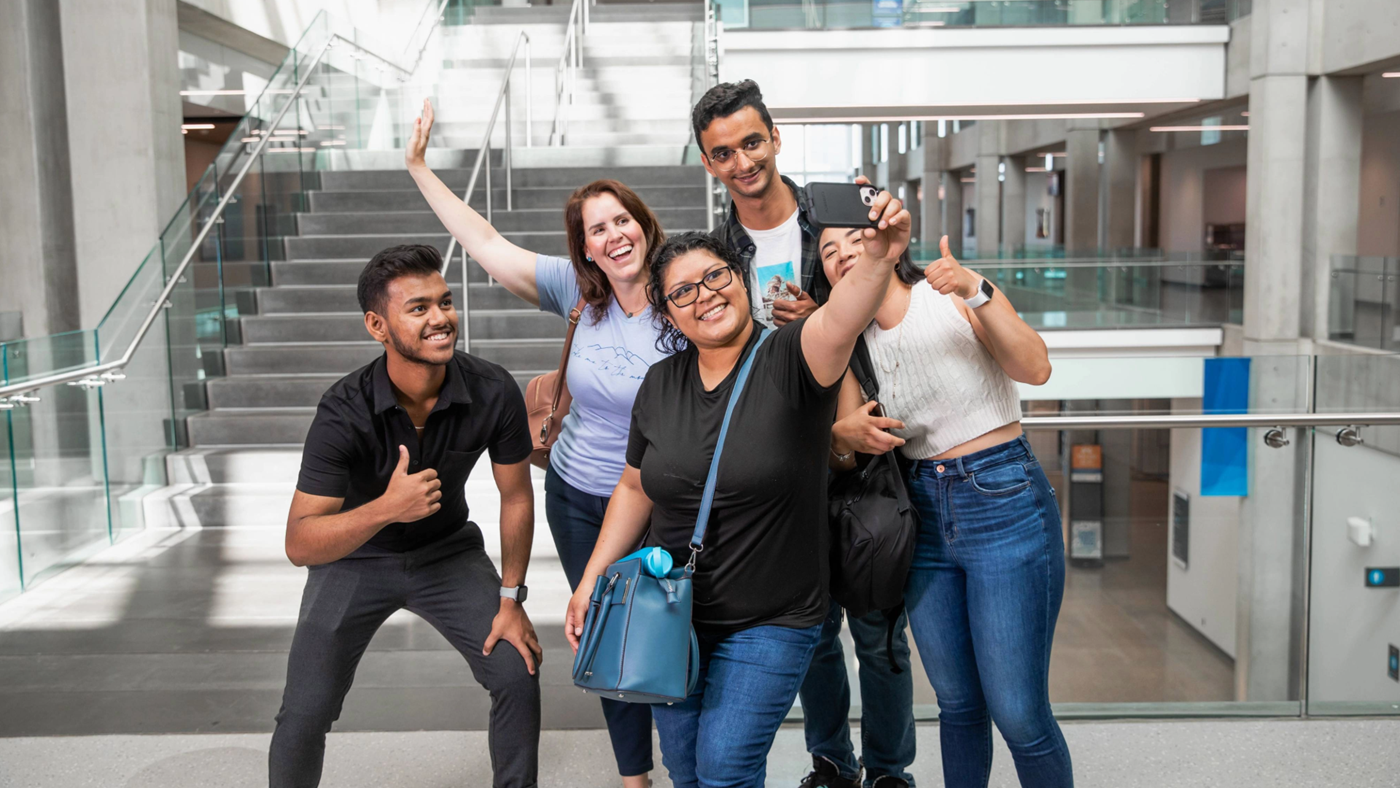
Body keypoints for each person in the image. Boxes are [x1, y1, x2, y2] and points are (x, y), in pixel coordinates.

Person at [565, 182, 908, 788]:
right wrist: (591, 579)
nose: (705, 296)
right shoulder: (660, 383)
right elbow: (635, 487)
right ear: (668, 312)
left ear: (739, 279)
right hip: (674, 613)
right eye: (683, 291)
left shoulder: (792, 358)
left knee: (726, 764)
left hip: (775, 617)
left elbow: (843, 317)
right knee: (688, 768)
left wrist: (879, 257)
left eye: (717, 277)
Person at [405, 98, 670, 787]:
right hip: (580, 493)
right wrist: (419, 168)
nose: (614, 237)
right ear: (583, 246)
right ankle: (634, 776)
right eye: (597, 230)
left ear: (644, 227)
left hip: (662, 498)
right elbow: (485, 243)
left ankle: (692, 758)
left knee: (670, 629)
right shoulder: (578, 293)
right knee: (606, 631)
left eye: (622, 221)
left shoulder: (684, 293)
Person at [693, 79, 916, 788]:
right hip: (786, 461)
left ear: (775, 138)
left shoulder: (837, 210)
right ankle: (832, 763)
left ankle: (887, 770)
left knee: (880, 637)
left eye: (751, 142)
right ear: (709, 163)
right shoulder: (719, 248)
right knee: (813, 634)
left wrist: (824, 321)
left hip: (869, 448)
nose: (742, 161)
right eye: (723, 152)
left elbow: (897, 288)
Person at [270, 244, 541, 788]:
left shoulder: (493, 390)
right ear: (378, 325)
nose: (440, 318)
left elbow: (517, 497)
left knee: (516, 672)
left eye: (444, 302)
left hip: (448, 554)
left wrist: (512, 599)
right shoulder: (342, 410)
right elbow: (299, 544)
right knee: (305, 712)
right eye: (418, 308)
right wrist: (386, 510)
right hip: (354, 559)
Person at [819, 227, 1073, 788]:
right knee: (956, 705)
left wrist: (976, 287)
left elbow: (1035, 368)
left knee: (1019, 712)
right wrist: (845, 433)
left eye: (854, 241)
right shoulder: (848, 343)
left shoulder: (950, 290)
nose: (843, 257)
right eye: (829, 253)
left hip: (1002, 496)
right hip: (921, 512)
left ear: (886, 243)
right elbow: (843, 446)